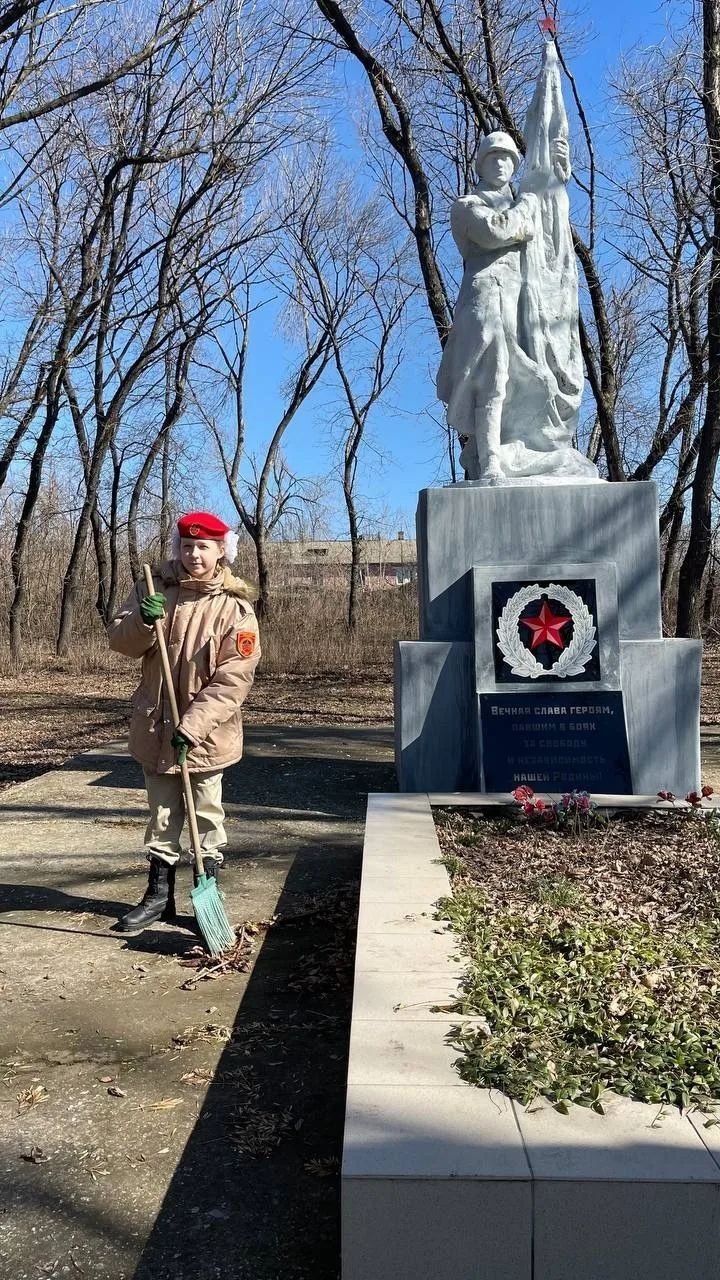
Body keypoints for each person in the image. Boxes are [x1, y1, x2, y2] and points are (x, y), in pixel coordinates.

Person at [437, 43, 599, 485]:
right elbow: (497, 231)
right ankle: (490, 459)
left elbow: (541, 243)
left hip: (519, 307)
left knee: (515, 380)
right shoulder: (467, 206)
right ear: (482, 165)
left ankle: (512, 451)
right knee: (492, 378)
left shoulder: (523, 200)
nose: (504, 167)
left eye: (509, 160)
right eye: (495, 159)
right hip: (485, 303)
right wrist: (529, 206)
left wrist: (543, 193)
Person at [107, 511, 260, 933]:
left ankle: (207, 893)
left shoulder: (236, 609)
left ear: (220, 552)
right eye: (187, 546)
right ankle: (158, 898)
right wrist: (142, 620)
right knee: (160, 813)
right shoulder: (152, 589)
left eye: (204, 547)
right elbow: (119, 642)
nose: (194, 554)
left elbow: (234, 679)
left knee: (206, 814)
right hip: (155, 727)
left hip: (206, 736)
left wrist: (191, 727)